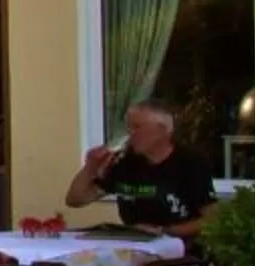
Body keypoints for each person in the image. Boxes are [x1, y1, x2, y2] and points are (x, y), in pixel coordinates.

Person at [65, 98, 218, 237]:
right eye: (128, 127)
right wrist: (91, 167)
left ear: (163, 130)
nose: (130, 133)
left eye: (137, 127)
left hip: (179, 248)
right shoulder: (125, 162)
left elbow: (213, 219)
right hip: (134, 244)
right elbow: (75, 200)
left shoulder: (190, 164)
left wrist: (165, 231)